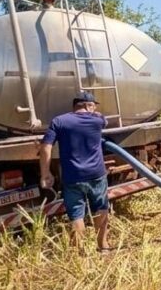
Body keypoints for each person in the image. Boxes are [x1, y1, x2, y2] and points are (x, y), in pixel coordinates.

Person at [39, 91, 110, 251]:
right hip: (96, 175)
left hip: (72, 177)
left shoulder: (59, 121)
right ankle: (103, 247)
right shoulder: (97, 120)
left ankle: (80, 254)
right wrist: (94, 112)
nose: (95, 109)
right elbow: (103, 119)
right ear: (88, 105)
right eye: (93, 105)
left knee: (76, 215)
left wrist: (45, 173)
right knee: (101, 208)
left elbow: (45, 147)